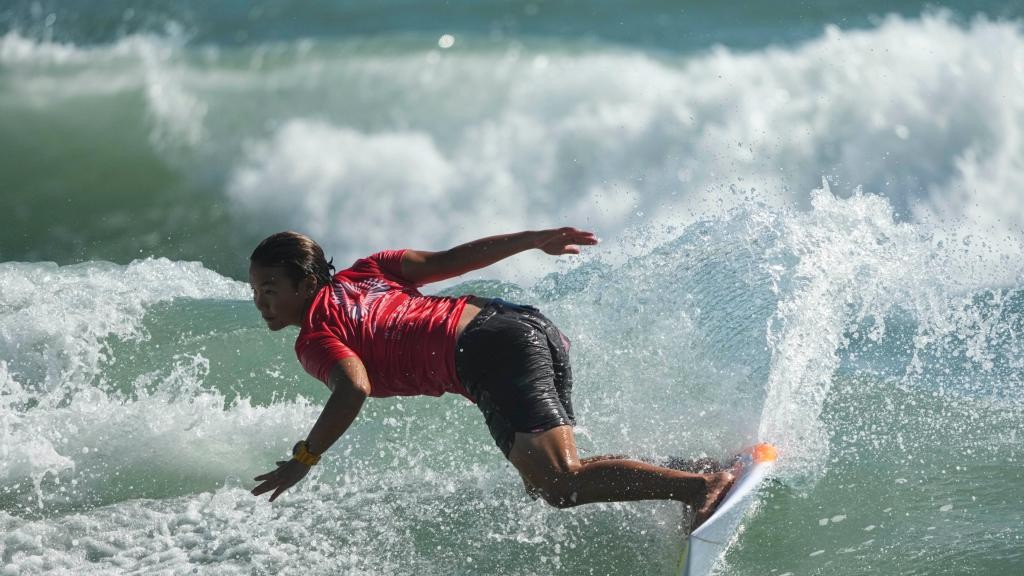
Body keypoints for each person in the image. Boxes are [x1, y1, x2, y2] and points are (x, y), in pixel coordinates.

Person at [248, 227, 734, 528]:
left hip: (487, 354)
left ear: (307, 283)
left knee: (559, 483)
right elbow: (455, 259)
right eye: (255, 290)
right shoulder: (370, 270)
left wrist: (305, 458)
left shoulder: (314, 336)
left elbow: (354, 386)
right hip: (522, 325)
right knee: (548, 477)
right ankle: (687, 467)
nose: (260, 302)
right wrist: (534, 239)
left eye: (270, 289)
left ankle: (699, 485)